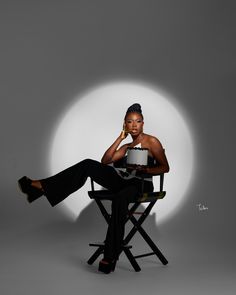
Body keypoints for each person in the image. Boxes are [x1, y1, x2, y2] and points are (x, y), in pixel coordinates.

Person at [18, 103, 169, 274]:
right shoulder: (126, 147)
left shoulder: (152, 141)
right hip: (123, 181)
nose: (134, 125)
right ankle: (43, 186)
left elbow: (165, 167)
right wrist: (120, 138)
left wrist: (146, 170)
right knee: (88, 164)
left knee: (120, 198)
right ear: (125, 124)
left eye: (138, 121)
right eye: (129, 122)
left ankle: (110, 256)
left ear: (143, 123)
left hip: (141, 184)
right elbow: (105, 161)